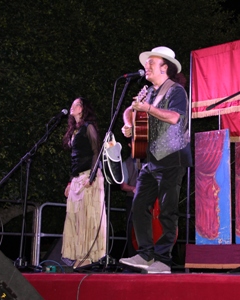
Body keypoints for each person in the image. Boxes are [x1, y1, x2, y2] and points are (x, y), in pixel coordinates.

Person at [119, 46, 192, 274]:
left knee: (168, 210)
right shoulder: (148, 91)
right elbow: (129, 111)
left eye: (152, 62)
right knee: (139, 204)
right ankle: (145, 254)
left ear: (165, 67)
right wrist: (129, 124)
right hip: (151, 160)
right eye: (146, 63)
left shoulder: (176, 90)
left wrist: (147, 108)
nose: (146, 66)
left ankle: (163, 260)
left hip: (172, 157)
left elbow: (174, 117)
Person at [61, 97, 106, 269]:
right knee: (76, 218)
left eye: (76, 104)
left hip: (90, 176)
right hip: (78, 178)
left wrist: (92, 175)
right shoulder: (75, 130)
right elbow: (75, 160)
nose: (72, 106)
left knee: (89, 218)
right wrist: (70, 182)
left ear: (83, 108)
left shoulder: (89, 127)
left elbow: (96, 151)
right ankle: (79, 255)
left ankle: (89, 256)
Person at [120, 141, 138, 257]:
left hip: (149, 199)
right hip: (132, 200)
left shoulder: (149, 160)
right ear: (130, 144)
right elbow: (123, 185)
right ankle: (133, 257)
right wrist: (134, 188)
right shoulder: (126, 163)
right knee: (132, 229)